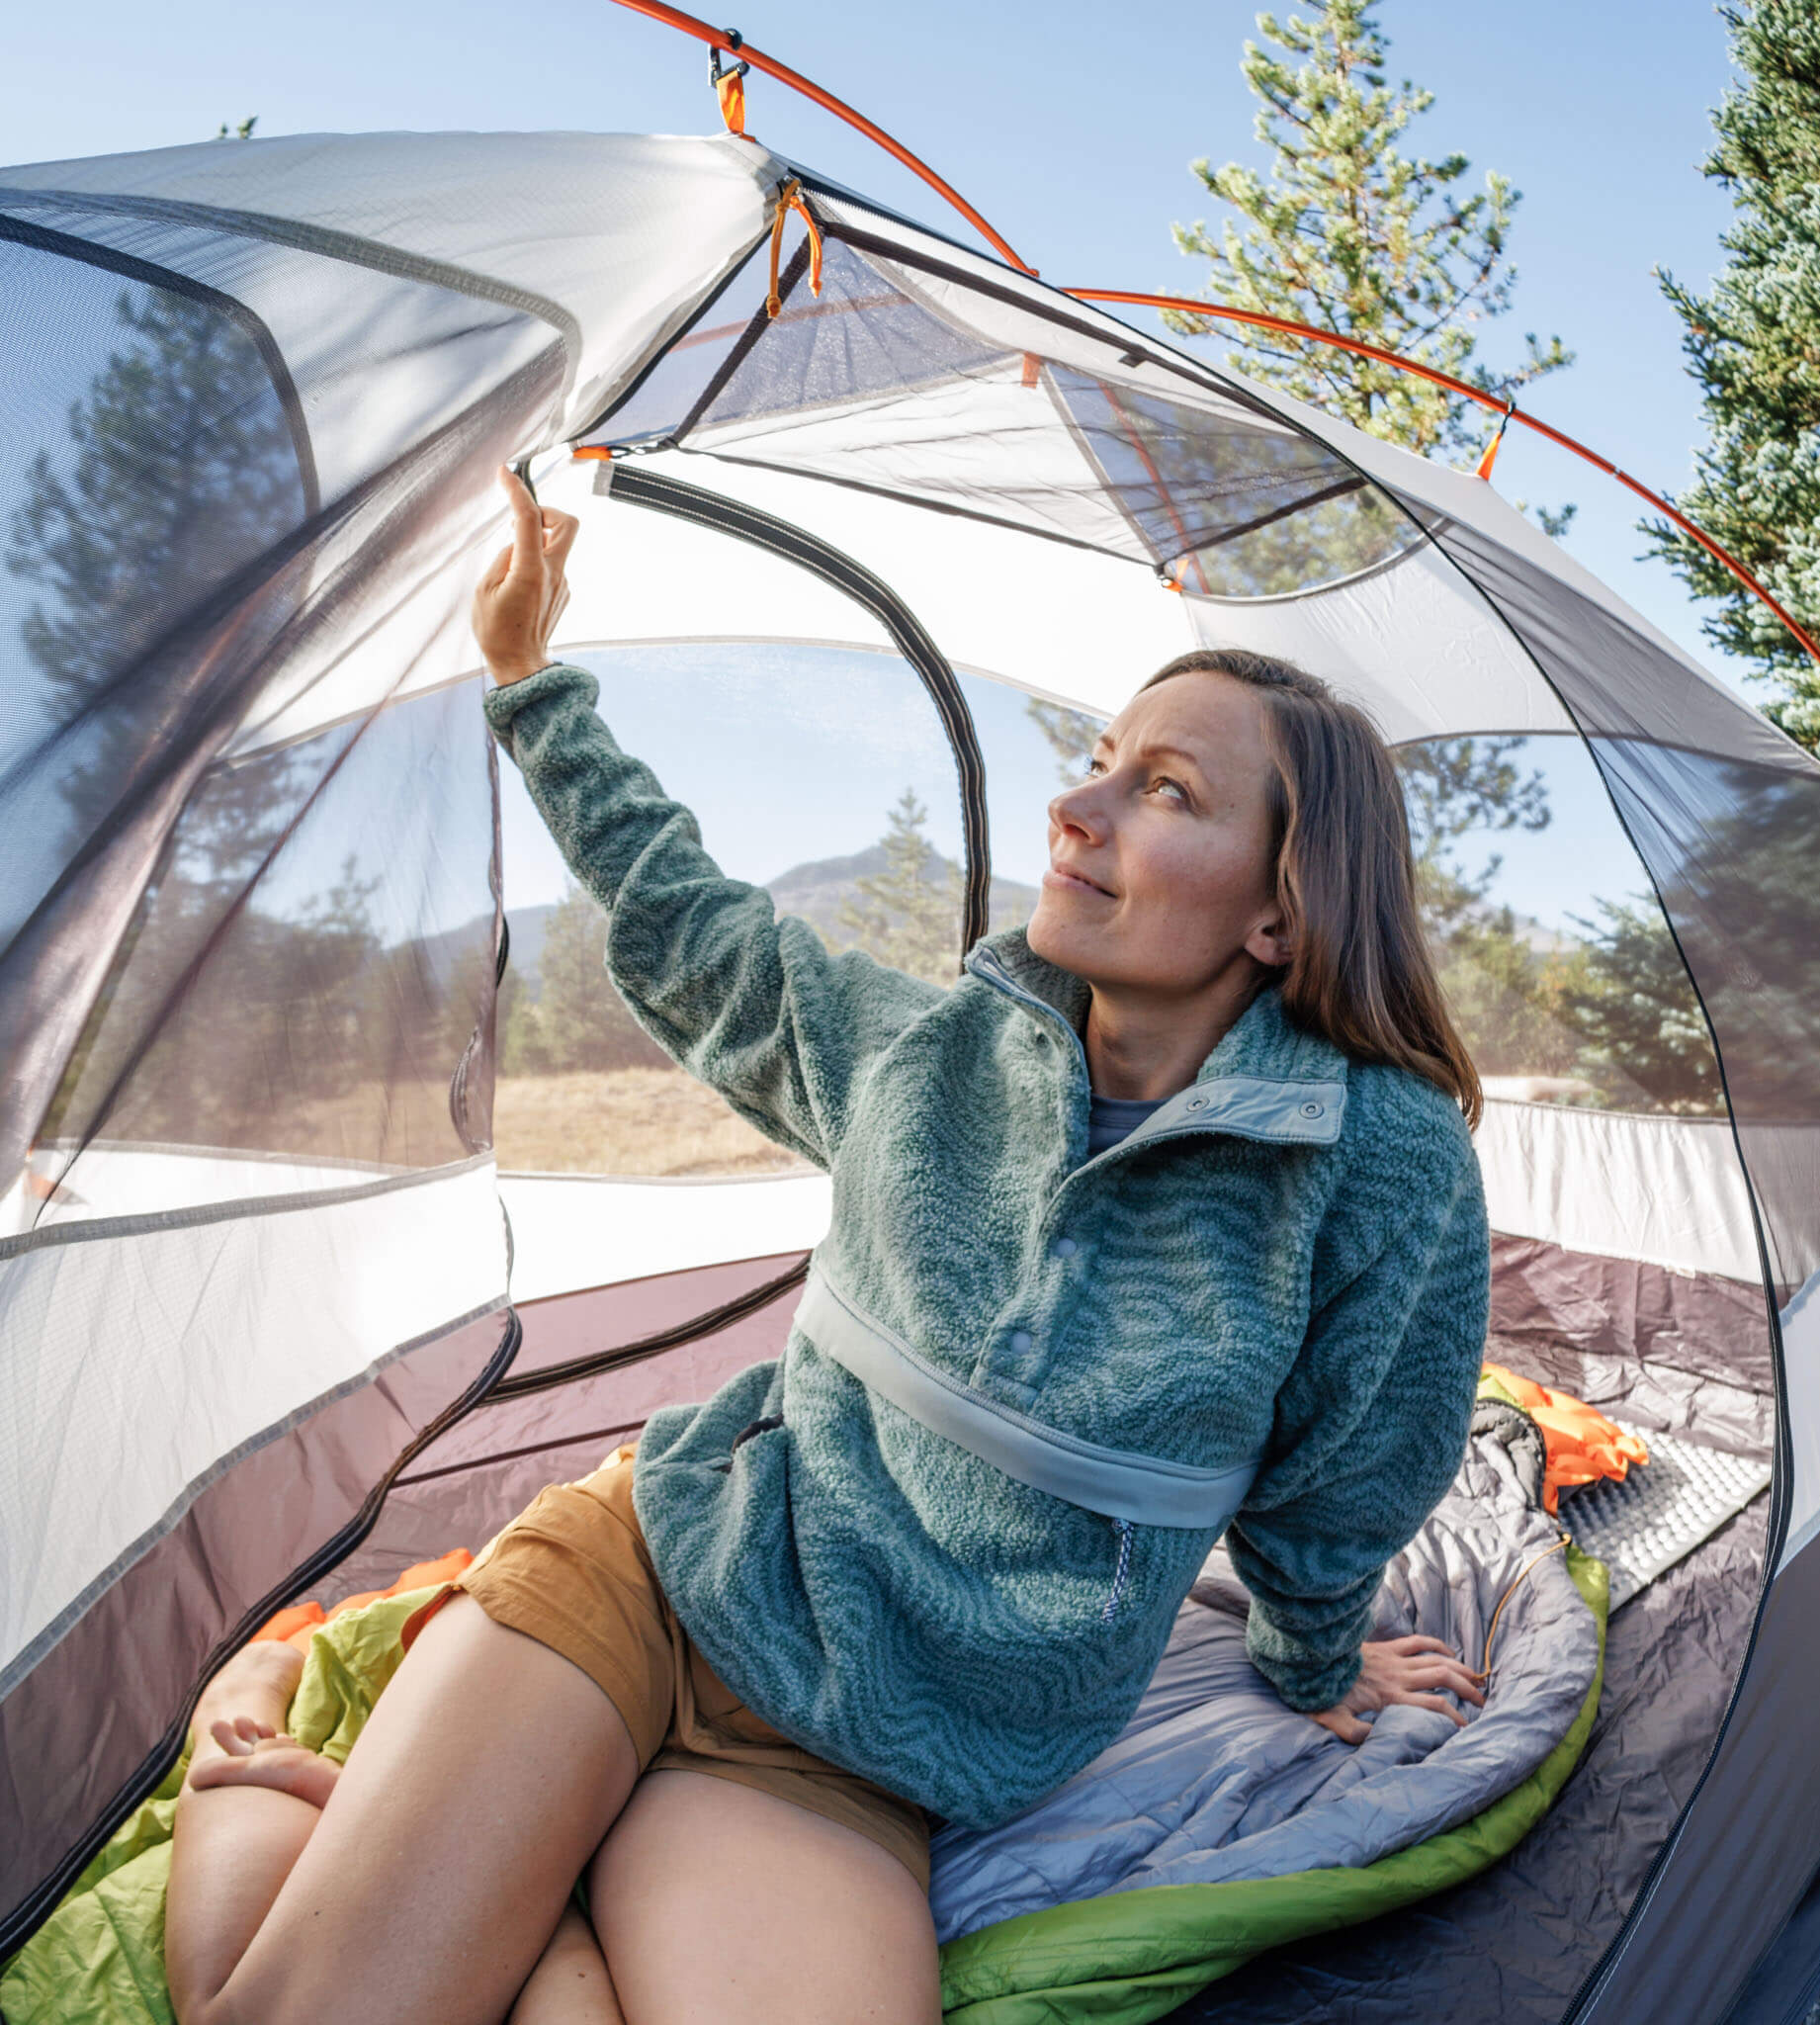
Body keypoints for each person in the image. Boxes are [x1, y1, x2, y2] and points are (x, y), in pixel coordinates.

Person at [163, 468, 1493, 2025]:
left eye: (1168, 794)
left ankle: (520, 1909)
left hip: (859, 1751)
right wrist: (530, 685)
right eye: (1101, 766)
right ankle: (256, 1754)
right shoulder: (926, 1059)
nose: (1079, 809)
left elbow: (1351, 1464)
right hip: (652, 1578)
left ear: (1283, 912)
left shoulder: (1374, 1159)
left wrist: (1315, 1655)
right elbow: (694, 934)